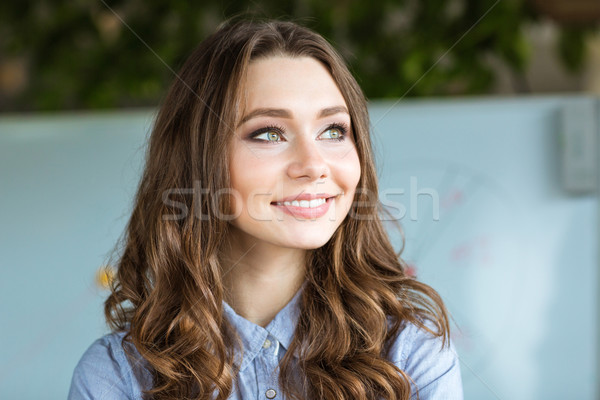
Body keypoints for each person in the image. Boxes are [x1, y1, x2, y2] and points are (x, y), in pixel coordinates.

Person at [68, 19, 463, 400]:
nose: (313, 165)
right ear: (198, 161)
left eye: (333, 131)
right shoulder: (119, 375)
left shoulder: (411, 356)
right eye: (269, 133)